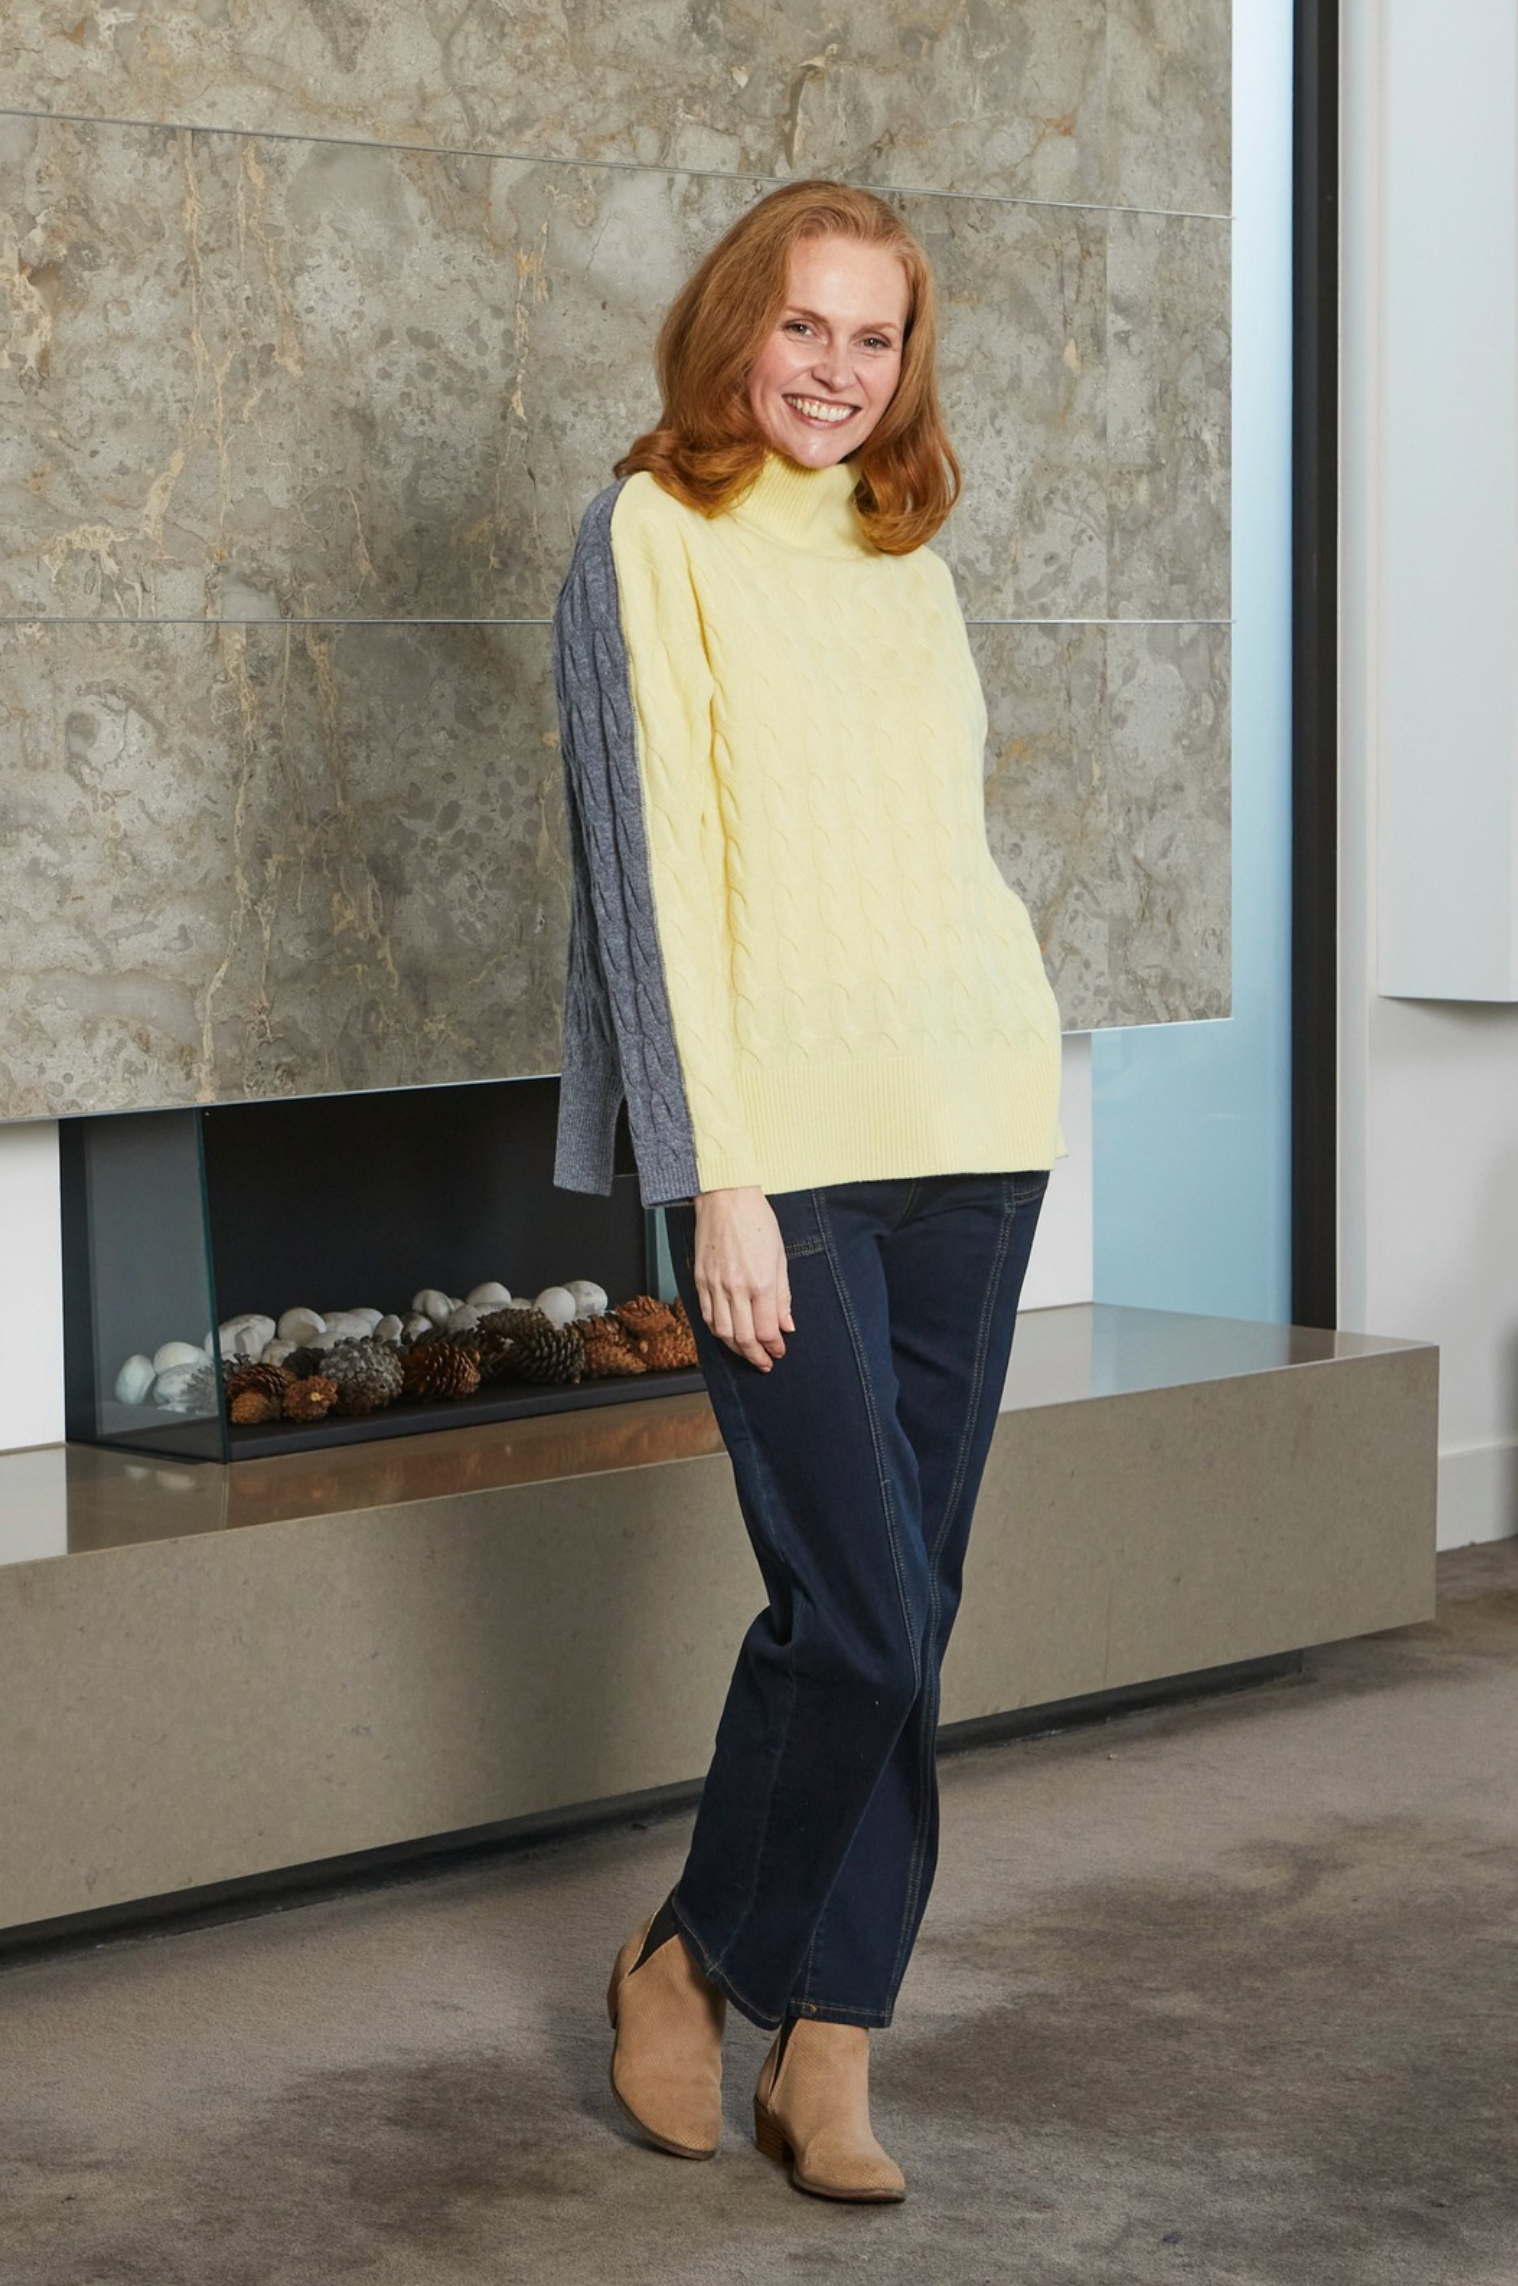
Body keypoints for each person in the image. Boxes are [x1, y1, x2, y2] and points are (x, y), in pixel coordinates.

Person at [550, 177, 1066, 2204]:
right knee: (856, 1610)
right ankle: (694, 1955)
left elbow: (937, 842)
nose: (838, 373)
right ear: (733, 329)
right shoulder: (646, 536)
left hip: (974, 1122)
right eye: (804, 327)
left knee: (914, 1608)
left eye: (875, 337)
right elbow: (651, 875)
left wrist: (1011, 1047)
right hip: (787, 1159)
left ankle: (834, 2033)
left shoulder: (902, 551)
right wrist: (717, 1181)